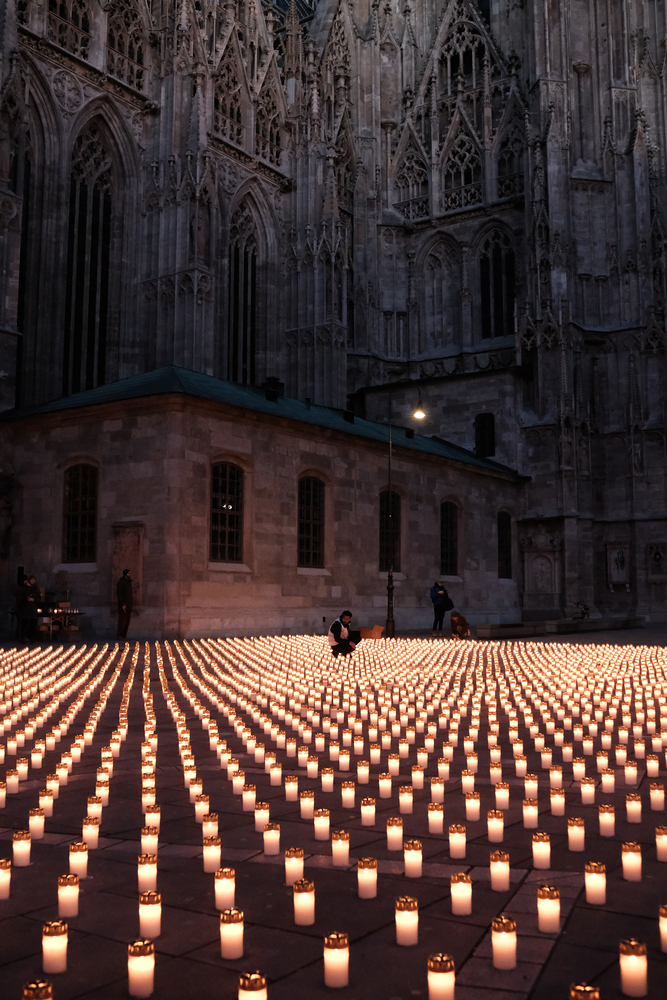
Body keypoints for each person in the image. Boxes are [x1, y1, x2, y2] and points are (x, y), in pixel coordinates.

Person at [19, 574, 40, 642]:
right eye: (32, 580)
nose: (33, 581)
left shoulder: (36, 588)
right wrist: (26, 599)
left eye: (34, 580)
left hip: (33, 608)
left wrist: (34, 599)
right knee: (25, 622)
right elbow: (20, 595)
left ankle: (32, 637)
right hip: (26, 608)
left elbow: (39, 598)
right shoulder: (25, 588)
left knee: (32, 623)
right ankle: (23, 637)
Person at [117, 569, 133, 639]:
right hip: (124, 605)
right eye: (129, 573)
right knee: (122, 621)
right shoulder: (121, 583)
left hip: (129, 604)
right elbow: (119, 594)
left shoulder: (128, 583)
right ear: (125, 574)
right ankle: (120, 635)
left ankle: (124, 635)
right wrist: (122, 604)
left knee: (127, 621)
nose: (130, 574)